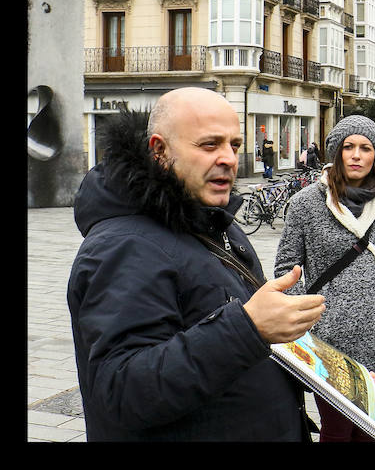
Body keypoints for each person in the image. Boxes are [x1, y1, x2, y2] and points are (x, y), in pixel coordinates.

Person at [67, 87, 327, 441]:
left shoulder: (213, 220)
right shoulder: (123, 246)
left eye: (234, 145)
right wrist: (249, 328)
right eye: (209, 145)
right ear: (160, 150)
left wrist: (323, 374)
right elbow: (122, 390)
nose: (229, 159)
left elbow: (228, 346)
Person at [274, 115, 375, 442]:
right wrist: (309, 321)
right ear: (336, 152)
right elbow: (286, 267)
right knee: (337, 433)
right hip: (330, 342)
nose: (356, 155)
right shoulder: (306, 203)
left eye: (365, 148)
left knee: (368, 432)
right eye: (348, 147)